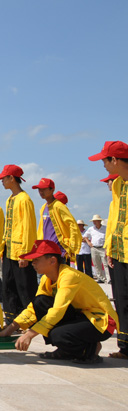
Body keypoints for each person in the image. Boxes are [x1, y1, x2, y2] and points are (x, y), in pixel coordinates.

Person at [0, 239, 117, 364]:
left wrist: (29, 335)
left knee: (57, 334)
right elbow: (33, 308)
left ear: (52, 261)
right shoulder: (46, 279)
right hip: (81, 316)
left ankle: (89, 350)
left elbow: (57, 311)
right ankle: (67, 349)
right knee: (40, 302)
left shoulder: (69, 276)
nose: (33, 263)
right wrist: (11, 328)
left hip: (101, 321)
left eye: (36, 260)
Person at [89, 140, 128, 360]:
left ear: (114, 160)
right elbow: (114, 219)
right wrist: (111, 248)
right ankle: (125, 346)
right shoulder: (119, 184)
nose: (103, 164)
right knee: (122, 298)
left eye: (104, 160)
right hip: (120, 251)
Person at [0, 164, 37, 325]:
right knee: (8, 286)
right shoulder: (11, 199)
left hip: (21, 251)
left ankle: (30, 319)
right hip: (9, 250)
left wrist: (26, 253)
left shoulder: (24, 199)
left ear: (12, 178)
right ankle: (12, 319)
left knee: (25, 287)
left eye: (4, 178)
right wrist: (2, 249)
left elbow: (28, 227)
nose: (2, 182)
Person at [33, 178, 80, 261]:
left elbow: (73, 225)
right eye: (39, 189)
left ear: (52, 190)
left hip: (59, 250)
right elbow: (42, 229)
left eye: (44, 189)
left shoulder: (59, 206)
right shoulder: (44, 207)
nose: (41, 192)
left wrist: (71, 246)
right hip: (46, 250)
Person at [86, 214, 108, 283]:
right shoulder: (91, 229)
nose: (94, 222)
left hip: (103, 247)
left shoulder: (105, 228)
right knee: (97, 264)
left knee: (105, 263)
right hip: (94, 248)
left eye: (95, 221)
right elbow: (85, 236)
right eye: (93, 221)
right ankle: (100, 278)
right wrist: (88, 242)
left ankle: (108, 278)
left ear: (99, 221)